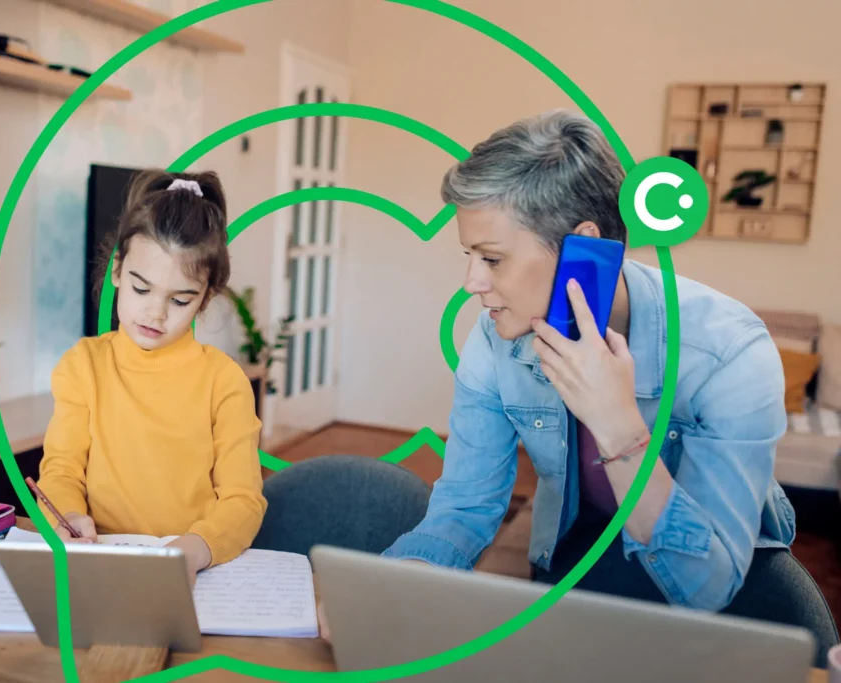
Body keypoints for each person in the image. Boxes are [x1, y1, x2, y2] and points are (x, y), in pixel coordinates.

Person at [319, 110, 837, 664]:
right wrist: (401, 583)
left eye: (491, 258)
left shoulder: (726, 352)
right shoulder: (497, 339)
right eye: (469, 256)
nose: (472, 283)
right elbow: (467, 505)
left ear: (580, 246)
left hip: (731, 621)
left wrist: (619, 427)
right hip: (579, 584)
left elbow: (703, 587)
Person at [35, 169, 267, 586]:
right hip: (99, 569)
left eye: (179, 300)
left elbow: (243, 501)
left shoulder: (223, 381)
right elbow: (62, 470)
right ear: (118, 271)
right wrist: (68, 518)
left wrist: (193, 550)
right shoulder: (82, 366)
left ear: (205, 298)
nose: (156, 314)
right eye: (142, 289)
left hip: (194, 570)